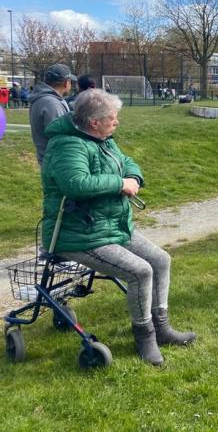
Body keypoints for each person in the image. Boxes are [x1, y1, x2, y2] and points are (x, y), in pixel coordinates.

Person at [41, 89, 196, 365]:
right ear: (94, 122)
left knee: (161, 260)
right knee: (140, 271)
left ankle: (162, 328)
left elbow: (127, 162)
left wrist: (133, 176)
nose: (117, 122)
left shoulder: (104, 140)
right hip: (79, 235)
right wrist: (119, 183)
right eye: (112, 118)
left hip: (111, 226)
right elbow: (75, 184)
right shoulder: (67, 145)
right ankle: (145, 338)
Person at [30, 63, 76, 166]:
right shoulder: (52, 104)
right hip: (56, 161)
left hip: (49, 158)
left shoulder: (44, 99)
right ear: (66, 83)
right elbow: (61, 136)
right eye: (70, 81)